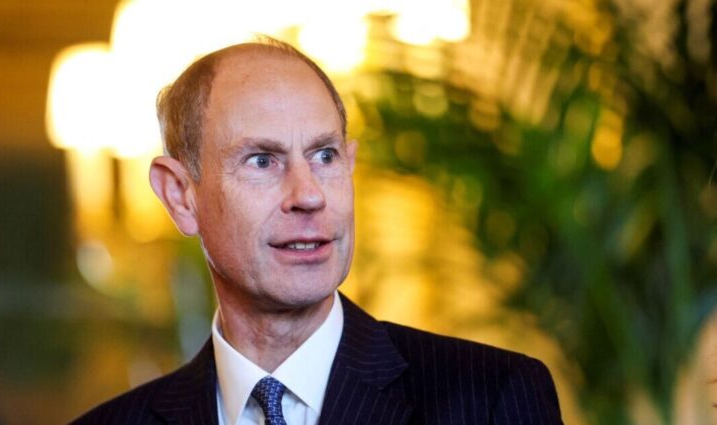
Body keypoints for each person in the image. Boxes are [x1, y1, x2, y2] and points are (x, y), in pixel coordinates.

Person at [71, 38, 564, 425]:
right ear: (181, 196)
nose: (309, 195)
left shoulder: (491, 397)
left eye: (325, 156)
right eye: (262, 161)